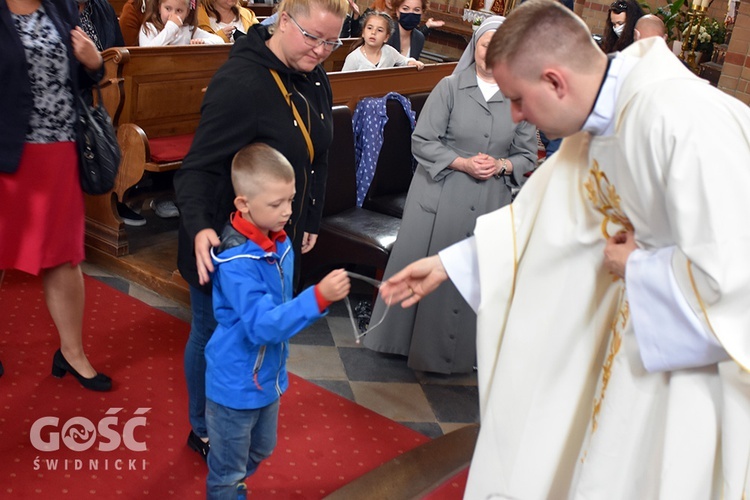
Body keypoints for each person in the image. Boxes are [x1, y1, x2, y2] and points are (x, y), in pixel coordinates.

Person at [379, 0, 750, 497]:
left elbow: (735, 278)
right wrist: (453, 262)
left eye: (517, 99)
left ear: (555, 82)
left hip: (681, 384)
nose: (513, 115)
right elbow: (541, 224)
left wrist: (637, 266)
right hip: (620, 356)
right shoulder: (599, 128)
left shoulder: (683, 120)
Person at [173, 0, 348, 462]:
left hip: (277, 235)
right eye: (313, 38)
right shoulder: (242, 82)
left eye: (332, 42)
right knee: (213, 333)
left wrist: (309, 214)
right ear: (284, 20)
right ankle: (204, 425)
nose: (322, 51)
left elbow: (320, 152)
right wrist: (196, 229)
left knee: (261, 327)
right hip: (221, 239)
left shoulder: (314, 71)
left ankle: (248, 400)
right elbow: (195, 170)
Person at [363, 15, 537, 374]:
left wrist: (502, 165)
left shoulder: (519, 97)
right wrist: (462, 162)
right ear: (476, 47)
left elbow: (526, 155)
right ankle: (402, 344)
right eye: (486, 44)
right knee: (430, 263)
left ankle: (460, 356)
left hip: (490, 200)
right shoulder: (450, 87)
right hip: (440, 193)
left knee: (472, 273)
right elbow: (422, 140)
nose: (492, 52)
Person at [205, 143, 350, 499]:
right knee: (227, 473)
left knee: (262, 449)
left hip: (267, 378)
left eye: (291, 199)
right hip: (235, 384)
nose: (287, 211)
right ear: (244, 204)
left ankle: (232, 478)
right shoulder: (238, 262)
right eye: (276, 204)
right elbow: (262, 326)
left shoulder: (277, 242)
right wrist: (316, 299)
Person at [1, 0, 113, 391]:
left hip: (60, 151)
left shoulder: (62, 6)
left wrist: (93, 62)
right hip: (6, 156)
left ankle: (72, 352)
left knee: (64, 256)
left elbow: (85, 76)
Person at [341, 10, 424, 71]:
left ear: (386, 37)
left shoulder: (389, 52)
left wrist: (412, 62)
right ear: (363, 32)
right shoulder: (354, 58)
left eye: (379, 30)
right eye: (369, 28)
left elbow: (404, 60)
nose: (373, 32)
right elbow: (343, 82)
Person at [139, 0, 224, 45]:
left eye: (179, 11)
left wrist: (203, 42)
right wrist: (171, 28)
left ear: (187, 12)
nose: (172, 15)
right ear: (159, 7)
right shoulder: (149, 28)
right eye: (168, 9)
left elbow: (219, 41)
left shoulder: (188, 30)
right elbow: (147, 53)